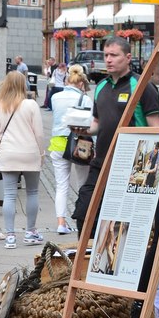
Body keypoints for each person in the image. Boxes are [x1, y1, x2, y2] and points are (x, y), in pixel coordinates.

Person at [72, 36, 159, 234]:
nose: (109, 59)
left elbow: (156, 127)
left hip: (131, 165)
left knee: (124, 222)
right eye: (106, 55)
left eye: (114, 55)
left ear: (128, 57)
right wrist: (83, 130)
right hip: (101, 161)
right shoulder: (101, 86)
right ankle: (87, 259)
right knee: (85, 211)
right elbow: (97, 123)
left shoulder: (142, 86)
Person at [0, 71, 46, 249]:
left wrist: (3, 145)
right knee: (32, 192)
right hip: (29, 152)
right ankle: (30, 232)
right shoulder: (31, 105)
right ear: (24, 85)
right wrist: (42, 153)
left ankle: (10, 236)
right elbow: (38, 132)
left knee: (9, 194)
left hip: (8, 152)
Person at [49, 68, 92, 234]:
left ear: (67, 81)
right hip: (79, 145)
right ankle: (83, 219)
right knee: (83, 184)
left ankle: (61, 222)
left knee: (61, 185)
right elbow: (89, 123)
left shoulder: (55, 97)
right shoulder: (85, 99)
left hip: (59, 144)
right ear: (81, 83)